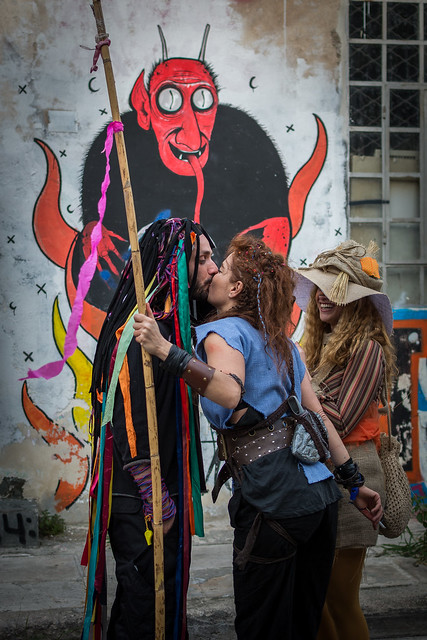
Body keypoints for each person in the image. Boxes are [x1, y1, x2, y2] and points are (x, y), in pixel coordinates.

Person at [133, 233, 383, 640]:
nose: (211, 272)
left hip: (273, 501)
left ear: (235, 288)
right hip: (321, 502)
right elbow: (319, 417)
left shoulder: (222, 333)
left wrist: (164, 350)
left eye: (221, 268)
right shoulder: (281, 340)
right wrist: (354, 483)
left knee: (262, 629)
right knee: (302, 627)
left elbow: (229, 392)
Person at [81, 217, 218, 640]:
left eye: (212, 258)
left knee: (160, 604)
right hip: (142, 498)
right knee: (144, 610)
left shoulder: (170, 328)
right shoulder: (142, 332)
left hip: (160, 491)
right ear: (175, 265)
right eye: (202, 259)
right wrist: (155, 496)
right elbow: (129, 417)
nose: (213, 267)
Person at [292, 239, 396, 640]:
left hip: (355, 473)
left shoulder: (368, 349)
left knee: (339, 597)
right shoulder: (319, 345)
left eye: (335, 289)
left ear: (356, 301)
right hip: (322, 475)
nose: (322, 296)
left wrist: (299, 384)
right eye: (320, 287)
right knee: (313, 595)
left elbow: (339, 418)